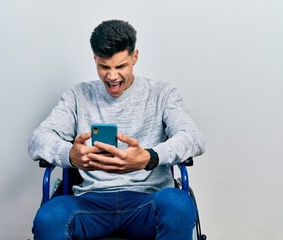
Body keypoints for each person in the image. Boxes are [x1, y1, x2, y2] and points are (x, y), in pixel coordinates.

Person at [28, 19, 205, 240]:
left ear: (135, 57)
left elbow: (193, 138)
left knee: (178, 204)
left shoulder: (162, 93)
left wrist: (149, 158)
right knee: (49, 217)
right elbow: (38, 139)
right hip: (90, 203)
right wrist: (69, 155)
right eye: (104, 66)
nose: (112, 77)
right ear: (95, 59)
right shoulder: (78, 96)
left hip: (147, 201)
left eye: (120, 66)